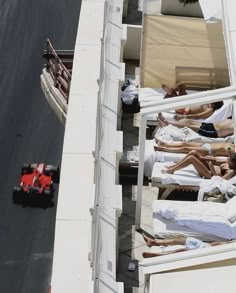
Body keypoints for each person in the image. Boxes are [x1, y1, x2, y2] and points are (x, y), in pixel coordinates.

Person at [142, 234, 236, 258]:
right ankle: (154, 242)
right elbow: (218, 243)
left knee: (185, 250)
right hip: (205, 246)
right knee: (180, 239)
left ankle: (158, 256)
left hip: (208, 253)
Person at [163, 150, 236, 180]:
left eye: (229, 159)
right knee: (193, 152)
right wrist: (202, 157)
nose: (227, 159)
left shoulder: (231, 171)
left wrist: (213, 170)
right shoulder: (227, 161)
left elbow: (221, 181)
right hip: (209, 168)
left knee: (191, 158)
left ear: (233, 163)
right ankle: (173, 166)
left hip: (210, 175)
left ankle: (172, 170)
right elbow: (216, 160)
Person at [158, 112, 233, 138]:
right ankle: (168, 122)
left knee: (188, 127)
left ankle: (167, 122)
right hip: (210, 125)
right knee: (188, 121)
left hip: (213, 131)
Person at [154, 138, 234, 157]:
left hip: (208, 151)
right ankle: (165, 144)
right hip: (207, 145)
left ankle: (163, 149)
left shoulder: (233, 150)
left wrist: (229, 149)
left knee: (185, 149)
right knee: (185, 144)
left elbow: (229, 152)